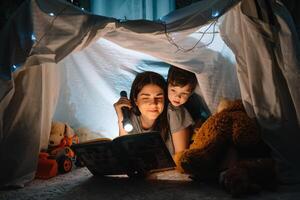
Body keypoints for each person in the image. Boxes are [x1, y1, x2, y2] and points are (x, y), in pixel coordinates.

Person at [114, 71, 173, 153]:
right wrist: (121, 117)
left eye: (159, 97)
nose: (153, 104)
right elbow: (124, 152)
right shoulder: (130, 119)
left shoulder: (173, 113)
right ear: (135, 100)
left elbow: (181, 158)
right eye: (146, 98)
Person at [166, 66, 198, 153]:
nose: (177, 97)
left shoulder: (178, 111)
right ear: (167, 85)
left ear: (191, 93)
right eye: (173, 90)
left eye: (184, 93)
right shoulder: (163, 103)